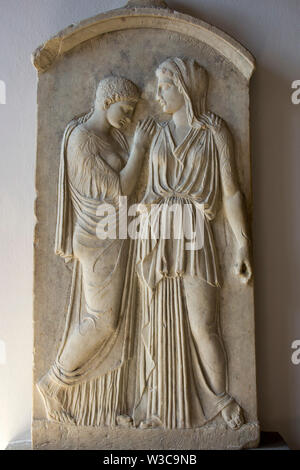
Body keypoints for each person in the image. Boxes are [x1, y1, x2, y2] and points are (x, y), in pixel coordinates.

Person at [134, 58, 252, 430]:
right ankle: (161, 406)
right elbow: (144, 191)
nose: (157, 94)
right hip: (158, 236)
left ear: (183, 88)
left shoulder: (215, 132)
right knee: (158, 326)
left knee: (203, 325)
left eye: (165, 86)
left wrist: (242, 243)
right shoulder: (156, 135)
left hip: (196, 235)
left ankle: (220, 401)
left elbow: (232, 192)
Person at [38, 76, 155, 426]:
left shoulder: (107, 136)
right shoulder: (81, 141)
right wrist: (140, 147)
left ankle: (105, 409)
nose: (131, 116)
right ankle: (53, 382)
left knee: (118, 325)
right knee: (103, 322)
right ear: (109, 101)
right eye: (126, 108)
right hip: (98, 241)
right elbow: (119, 189)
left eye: (134, 110)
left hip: (118, 236)